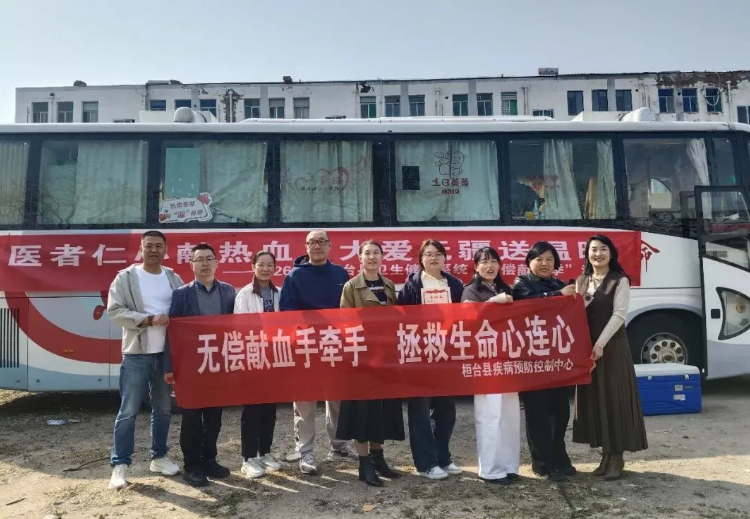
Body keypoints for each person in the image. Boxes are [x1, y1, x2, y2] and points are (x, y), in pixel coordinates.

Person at [106, 230, 184, 490]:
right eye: (148, 245)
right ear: (140, 249)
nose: (153, 250)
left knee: (163, 409)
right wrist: (148, 319)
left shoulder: (173, 278)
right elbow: (115, 311)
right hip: (136, 354)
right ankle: (120, 465)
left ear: (165, 250)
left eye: (158, 246)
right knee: (128, 411)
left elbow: (184, 309)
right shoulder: (126, 277)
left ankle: (159, 458)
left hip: (166, 355)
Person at [279, 229, 357, 475]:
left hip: (335, 346)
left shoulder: (340, 273)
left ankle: (339, 446)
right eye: (312, 242)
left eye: (322, 242)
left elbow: (349, 310)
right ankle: (306, 451)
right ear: (306, 247)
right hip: (306, 347)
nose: (317, 246)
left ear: (330, 246)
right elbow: (287, 311)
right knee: (305, 402)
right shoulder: (294, 276)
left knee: (337, 399)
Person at [573, 234, 648, 481]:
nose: (598, 254)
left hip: (612, 347)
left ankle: (617, 457)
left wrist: (600, 344)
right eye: (593, 249)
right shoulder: (581, 281)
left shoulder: (620, 280)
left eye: (603, 249)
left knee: (615, 399)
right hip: (587, 350)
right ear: (587, 254)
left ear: (611, 253)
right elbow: (574, 313)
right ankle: (605, 455)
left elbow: (619, 315)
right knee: (597, 401)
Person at [163, 243, 236, 487]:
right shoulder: (181, 294)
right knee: (192, 417)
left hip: (218, 363)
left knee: (214, 416)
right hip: (190, 365)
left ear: (217, 263)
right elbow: (172, 332)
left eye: (209, 259)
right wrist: (169, 366)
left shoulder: (228, 292)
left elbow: (236, 328)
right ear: (191, 265)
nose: (205, 264)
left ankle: (209, 460)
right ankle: (192, 466)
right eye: (199, 259)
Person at [336, 240, 405, 487]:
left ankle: (378, 459)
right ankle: (364, 464)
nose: (372, 257)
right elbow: (345, 323)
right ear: (360, 258)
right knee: (362, 412)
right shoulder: (351, 286)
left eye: (376, 253)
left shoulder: (388, 285)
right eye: (367, 253)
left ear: (383, 257)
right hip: (362, 359)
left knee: (381, 410)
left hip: (385, 358)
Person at [397, 239, 464, 480]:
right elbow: (400, 319)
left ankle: (442, 457)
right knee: (421, 410)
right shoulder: (412, 285)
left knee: (446, 410)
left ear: (445, 258)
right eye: (428, 254)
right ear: (421, 259)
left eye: (438, 254)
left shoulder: (454, 284)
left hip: (446, 354)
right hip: (420, 354)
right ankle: (425, 463)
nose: (433, 258)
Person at [512, 241, 577, 482]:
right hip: (532, 359)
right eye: (539, 259)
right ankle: (542, 462)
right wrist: (559, 295)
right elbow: (530, 304)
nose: (544, 264)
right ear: (529, 261)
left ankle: (559, 456)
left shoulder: (559, 284)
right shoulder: (521, 283)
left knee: (560, 411)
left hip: (557, 360)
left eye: (549, 259)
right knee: (538, 412)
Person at [461, 246, 520, 486]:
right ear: (476, 267)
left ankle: (509, 466)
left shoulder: (507, 288)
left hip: (507, 359)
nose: (490, 266)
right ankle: (491, 469)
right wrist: (494, 302)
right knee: (489, 415)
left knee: (509, 415)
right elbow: (469, 319)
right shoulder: (470, 290)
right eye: (484, 262)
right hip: (485, 361)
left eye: (494, 261)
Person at [234, 251, 282, 479]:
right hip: (253, 357)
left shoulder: (278, 292)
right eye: (261, 265)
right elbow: (240, 326)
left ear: (275, 268)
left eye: (269, 265)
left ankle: (265, 452)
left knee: (269, 409)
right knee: (252, 409)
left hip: (274, 358)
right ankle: (248, 458)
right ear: (253, 267)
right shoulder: (244, 294)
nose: (265, 269)